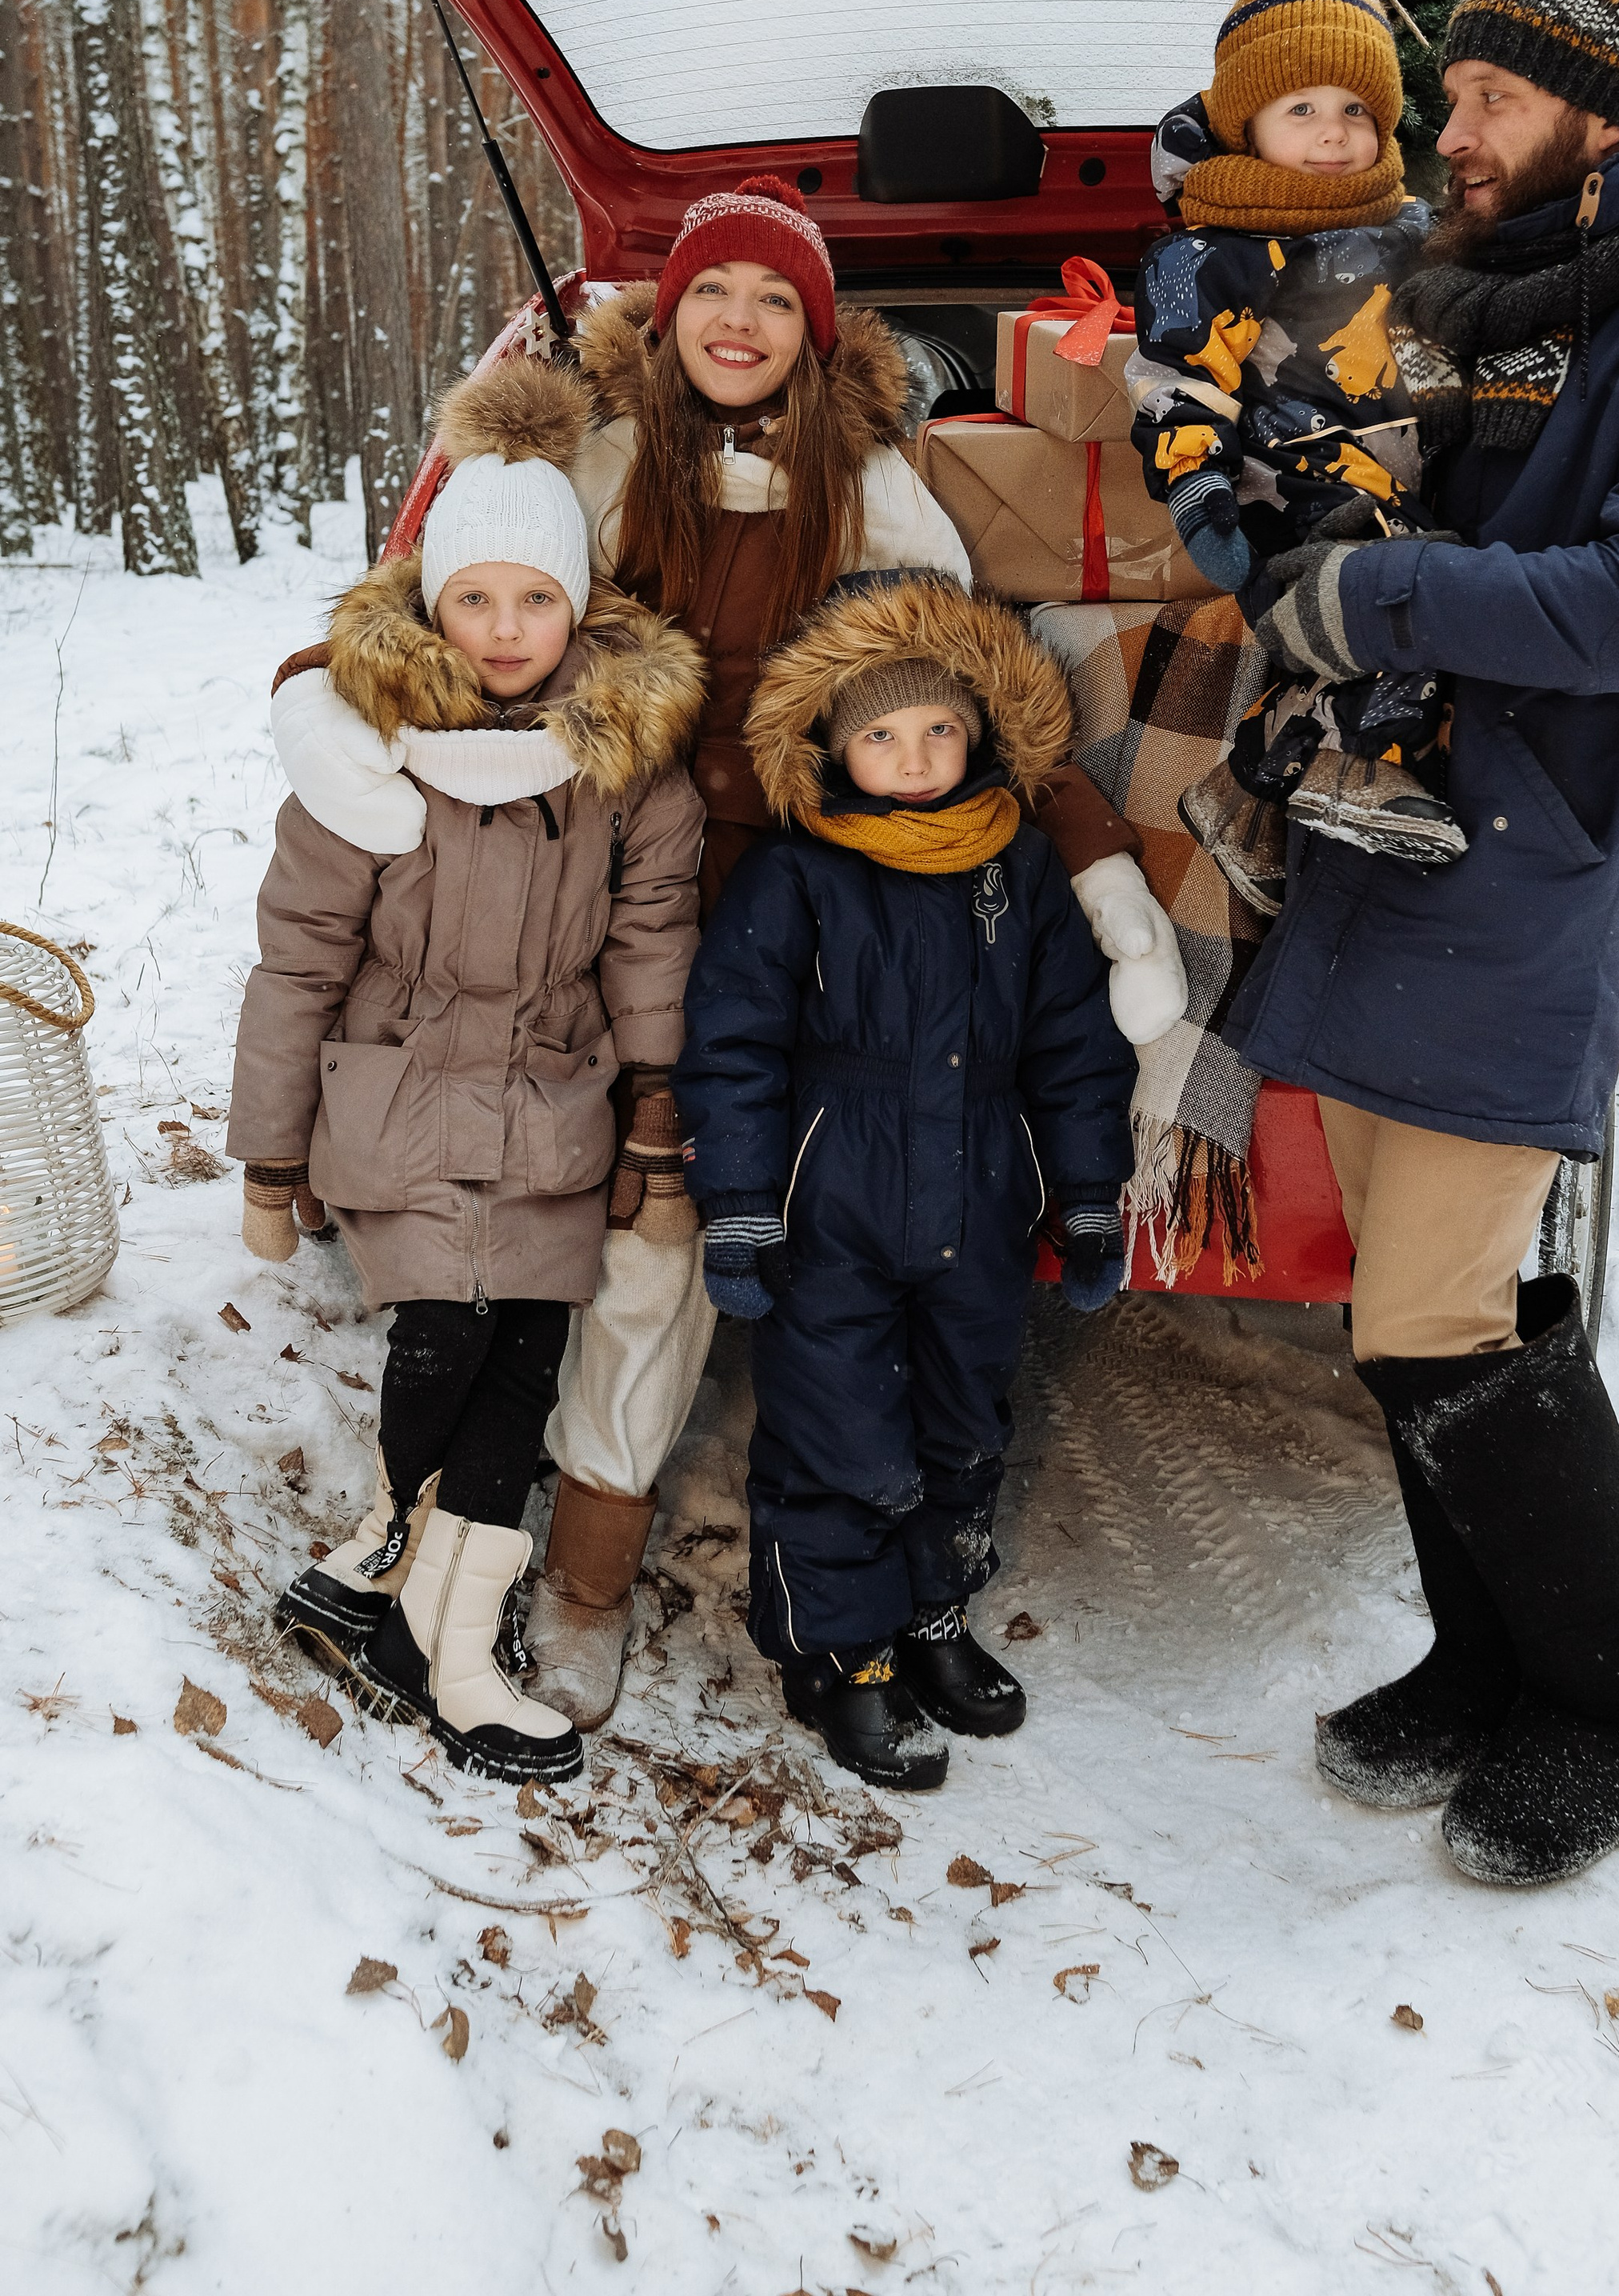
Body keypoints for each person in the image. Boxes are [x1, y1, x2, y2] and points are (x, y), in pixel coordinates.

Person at [266, 175, 1182, 1730]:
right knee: (603, 1244)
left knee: (751, 1242)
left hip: (807, 915)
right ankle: (557, 1570)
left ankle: (768, 1564)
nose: (740, 322)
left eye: (773, 299)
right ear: (668, 313)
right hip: (605, 887)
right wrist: (318, 685)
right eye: (713, 291)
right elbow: (448, 611)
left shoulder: (875, 485)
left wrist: (1095, 868)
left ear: (814, 333)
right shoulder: (597, 457)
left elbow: (953, 693)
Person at [1225, 0, 1619, 1886]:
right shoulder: (1463, 296)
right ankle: (1485, 1659)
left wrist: (1374, 593)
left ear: (1596, 113)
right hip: (1385, 838)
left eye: (1483, 96)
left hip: (1534, 851)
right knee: (1405, 1309)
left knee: (1434, 1307)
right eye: (1448, 91)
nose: (1447, 130)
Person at [227, 407, 706, 1786]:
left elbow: (651, 936)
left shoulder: (626, 756)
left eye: (535, 599)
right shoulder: (366, 747)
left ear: (579, 605)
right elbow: (299, 956)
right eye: (475, 598)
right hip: (402, 1091)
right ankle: (396, 1569)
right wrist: (270, 1156)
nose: (505, 629)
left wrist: (655, 1108)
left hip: (556, 1092)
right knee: (446, 1328)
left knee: (527, 1357)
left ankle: (430, 1637)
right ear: (433, 602)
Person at [672, 571, 1138, 1792]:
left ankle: (932, 1617)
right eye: (881, 734)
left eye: (940, 727)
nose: (917, 756)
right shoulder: (797, 877)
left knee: (961, 1428)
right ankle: (845, 1654)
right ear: (831, 745)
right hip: (833, 1214)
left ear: (981, 731)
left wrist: (1089, 1192)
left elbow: (1074, 1043)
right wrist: (741, 1205)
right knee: (841, 1437)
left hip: (978, 1210)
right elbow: (732, 1045)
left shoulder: (1016, 868)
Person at [1126, 0, 1464, 902]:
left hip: (1395, 470)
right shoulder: (1209, 254)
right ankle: (1348, 774)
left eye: (1356, 110)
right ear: (1246, 124)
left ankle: (1250, 794)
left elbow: (1449, 324)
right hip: (1285, 480)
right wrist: (1198, 487)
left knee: (1418, 607)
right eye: (1302, 108)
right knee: (1395, 607)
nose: (1333, 132)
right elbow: (1177, 379)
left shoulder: (1409, 230)